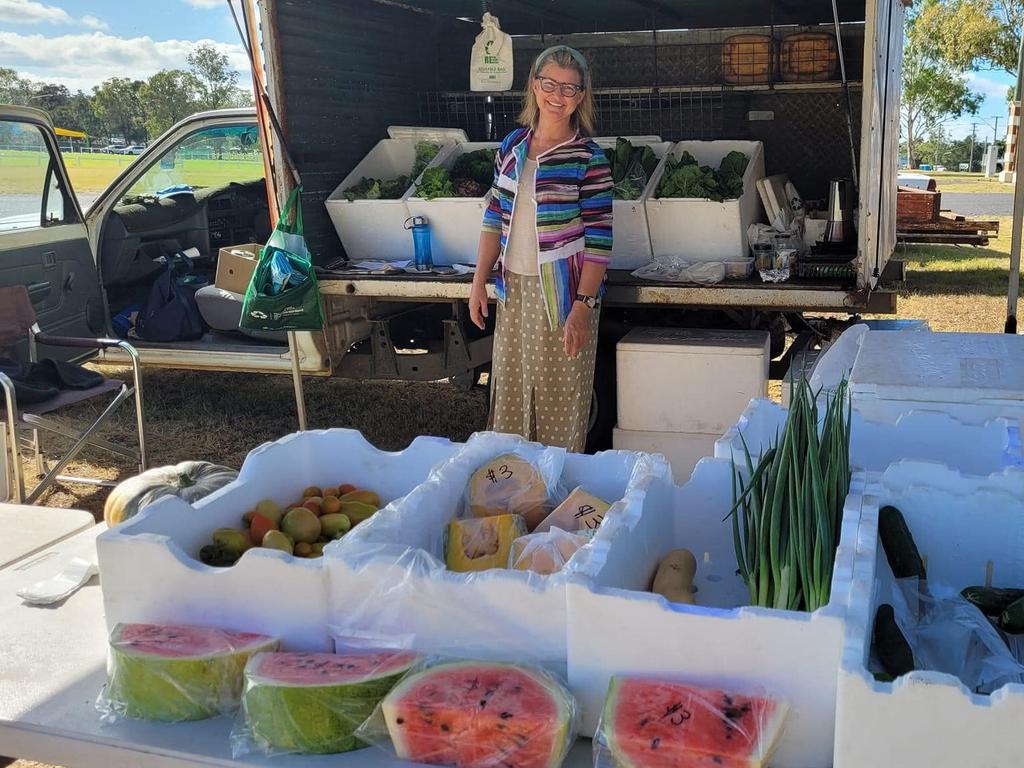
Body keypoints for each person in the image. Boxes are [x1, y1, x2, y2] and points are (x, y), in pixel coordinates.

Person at [469, 45, 613, 453]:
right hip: (513, 289)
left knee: (560, 397)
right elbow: (493, 216)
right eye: (549, 84)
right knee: (511, 392)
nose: (557, 95)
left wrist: (583, 306)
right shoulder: (512, 145)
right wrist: (479, 282)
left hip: (565, 294)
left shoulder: (588, 157)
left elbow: (601, 239)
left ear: (581, 96)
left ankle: (555, 492)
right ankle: (511, 491)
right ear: (534, 86)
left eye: (569, 88)